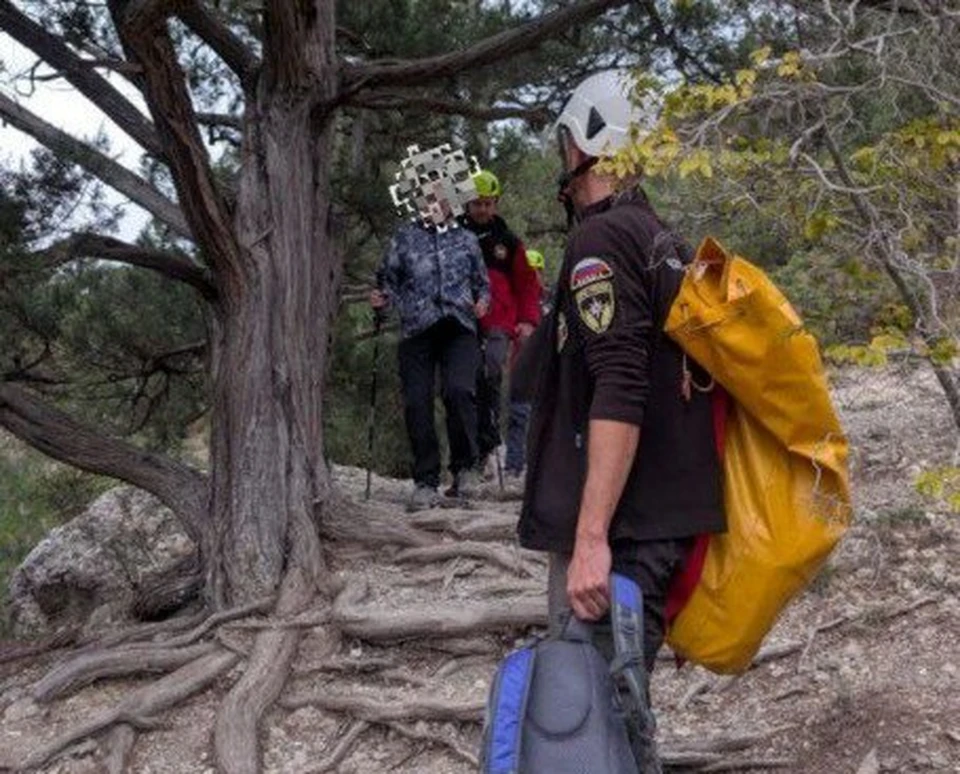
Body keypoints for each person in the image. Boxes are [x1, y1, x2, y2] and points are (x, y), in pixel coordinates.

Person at [518, 70, 726, 769]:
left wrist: (590, 540)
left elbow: (620, 388)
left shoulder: (600, 244)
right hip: (658, 528)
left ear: (586, 143)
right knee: (618, 726)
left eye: (566, 142)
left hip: (626, 535)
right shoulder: (660, 237)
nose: (563, 160)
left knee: (583, 730)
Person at [371, 146, 490, 511]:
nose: (436, 200)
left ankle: (466, 469)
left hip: (459, 326)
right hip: (417, 328)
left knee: (459, 392)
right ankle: (425, 481)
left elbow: (482, 284)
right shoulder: (404, 237)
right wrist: (380, 298)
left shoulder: (467, 240)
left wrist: (483, 302)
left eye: (443, 193)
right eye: (429, 194)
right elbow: (386, 279)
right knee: (417, 402)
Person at [458, 169, 542, 481]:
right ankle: (468, 456)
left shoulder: (508, 241)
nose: (482, 209)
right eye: (477, 203)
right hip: (462, 321)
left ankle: (488, 447)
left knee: (490, 375)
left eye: (488, 203)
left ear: (496, 204)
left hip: (499, 322)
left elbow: (527, 285)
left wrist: (526, 320)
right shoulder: (455, 235)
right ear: (467, 203)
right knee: (462, 386)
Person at [504, 248, 550, 478]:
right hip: (520, 369)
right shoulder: (514, 303)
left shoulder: (553, 302)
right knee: (518, 418)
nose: (533, 276)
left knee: (545, 420)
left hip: (547, 372)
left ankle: (542, 468)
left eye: (537, 271)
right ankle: (514, 467)